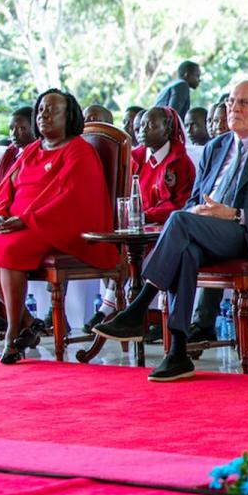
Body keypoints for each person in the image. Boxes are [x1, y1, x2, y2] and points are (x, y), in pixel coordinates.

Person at [93, 80, 248, 382]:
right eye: (230, 102)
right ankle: (178, 351)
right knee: (186, 250)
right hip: (204, 229)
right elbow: (193, 200)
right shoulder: (216, 147)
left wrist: (232, 214)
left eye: (243, 103)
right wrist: (198, 212)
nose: (234, 108)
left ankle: (138, 308)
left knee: (179, 221)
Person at [0, 89, 116, 364]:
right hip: (19, 225)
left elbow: (72, 200)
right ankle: (27, 321)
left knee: (10, 252)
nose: (43, 116)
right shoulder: (32, 150)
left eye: (52, 110)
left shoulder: (79, 151)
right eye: (40, 110)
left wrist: (26, 219)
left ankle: (13, 332)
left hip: (56, 226)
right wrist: (1, 214)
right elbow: (6, 187)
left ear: (69, 116)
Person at [84, 106, 197, 331]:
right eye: (141, 125)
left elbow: (182, 205)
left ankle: (109, 310)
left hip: (163, 227)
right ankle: (119, 307)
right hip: (131, 223)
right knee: (108, 246)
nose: (143, 131)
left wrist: (147, 215)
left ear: (167, 129)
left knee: (133, 252)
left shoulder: (181, 163)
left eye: (151, 125)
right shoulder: (133, 158)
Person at [0, 107, 35, 198]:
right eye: (11, 128)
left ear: (34, 129)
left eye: (21, 128)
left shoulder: (40, 155)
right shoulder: (8, 154)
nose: (14, 134)